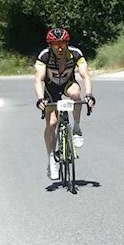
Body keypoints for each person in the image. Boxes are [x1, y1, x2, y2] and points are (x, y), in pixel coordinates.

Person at [33, 27, 94, 181]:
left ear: (67, 43)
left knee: (75, 94)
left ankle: (76, 129)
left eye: (62, 43)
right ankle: (51, 158)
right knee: (52, 123)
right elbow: (39, 79)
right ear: (50, 45)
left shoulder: (75, 54)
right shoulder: (44, 56)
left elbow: (85, 74)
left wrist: (89, 95)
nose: (59, 48)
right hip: (50, 89)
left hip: (68, 84)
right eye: (55, 44)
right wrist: (40, 98)